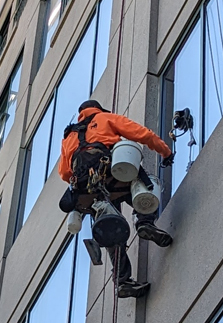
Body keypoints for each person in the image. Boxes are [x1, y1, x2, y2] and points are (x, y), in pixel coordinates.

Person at [58, 98, 175, 299]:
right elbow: (142, 134)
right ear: (98, 109)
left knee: (111, 229)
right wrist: (165, 152)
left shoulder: (69, 137)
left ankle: (122, 281)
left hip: (87, 190)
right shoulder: (105, 118)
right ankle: (145, 222)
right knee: (143, 187)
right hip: (113, 174)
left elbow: (64, 173)